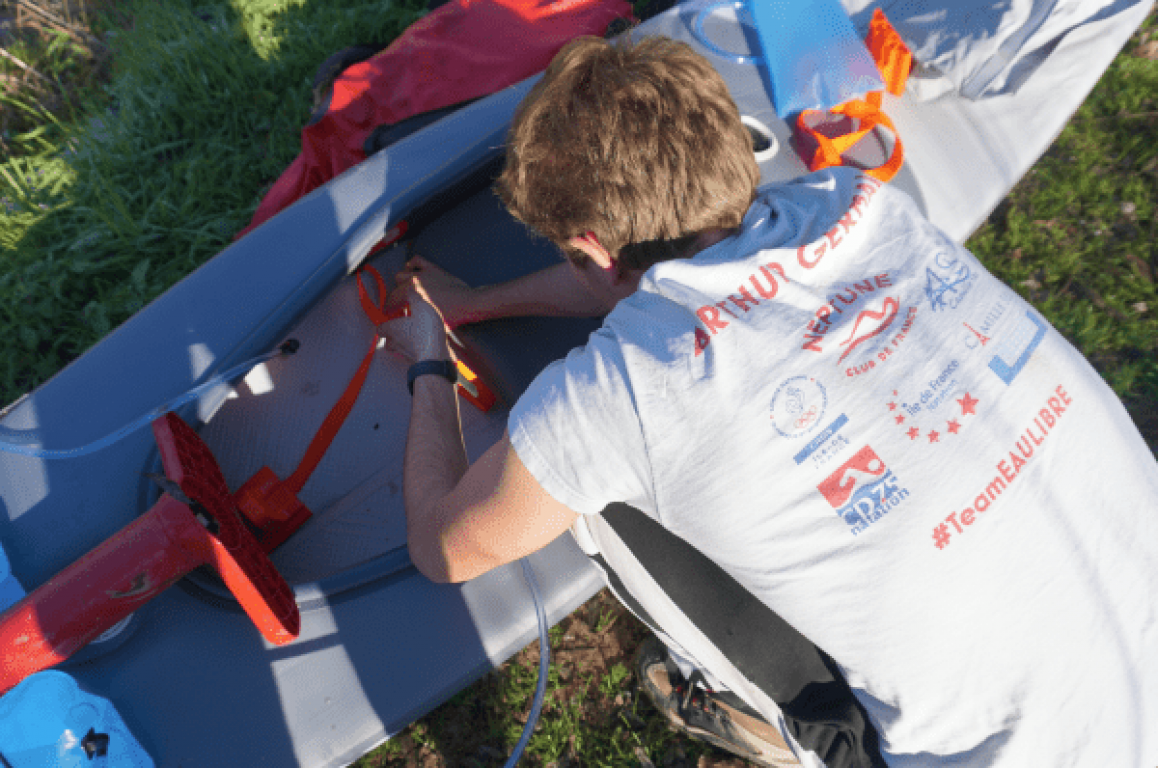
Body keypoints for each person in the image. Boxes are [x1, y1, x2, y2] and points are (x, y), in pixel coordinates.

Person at [379, 35, 1158, 768]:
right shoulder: (856, 203)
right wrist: (478, 302)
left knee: (598, 500)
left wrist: (426, 363)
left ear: (587, 246)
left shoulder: (617, 400)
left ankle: (783, 727)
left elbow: (447, 548)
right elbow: (681, 287)